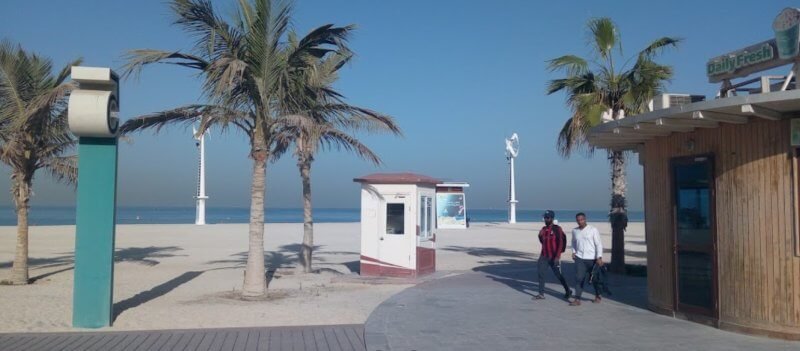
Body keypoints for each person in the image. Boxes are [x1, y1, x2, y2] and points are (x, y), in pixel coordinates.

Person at [532, 210, 572, 300]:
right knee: (541, 274)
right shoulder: (543, 229)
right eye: (545, 218)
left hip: (554, 257)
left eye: (548, 218)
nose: (546, 219)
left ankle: (568, 290)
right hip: (543, 256)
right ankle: (541, 294)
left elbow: (560, 243)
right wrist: (539, 236)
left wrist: (557, 256)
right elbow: (542, 242)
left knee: (558, 275)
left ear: (552, 218)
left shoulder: (557, 229)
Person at [569, 212, 604, 306]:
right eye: (578, 220)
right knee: (579, 278)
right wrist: (573, 251)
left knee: (594, 279)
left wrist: (599, 257)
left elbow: (598, 244)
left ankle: (598, 295)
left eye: (582, 219)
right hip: (580, 258)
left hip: (592, 259)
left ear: (585, 219)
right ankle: (577, 299)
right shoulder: (575, 231)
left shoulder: (593, 229)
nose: (580, 221)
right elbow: (573, 242)